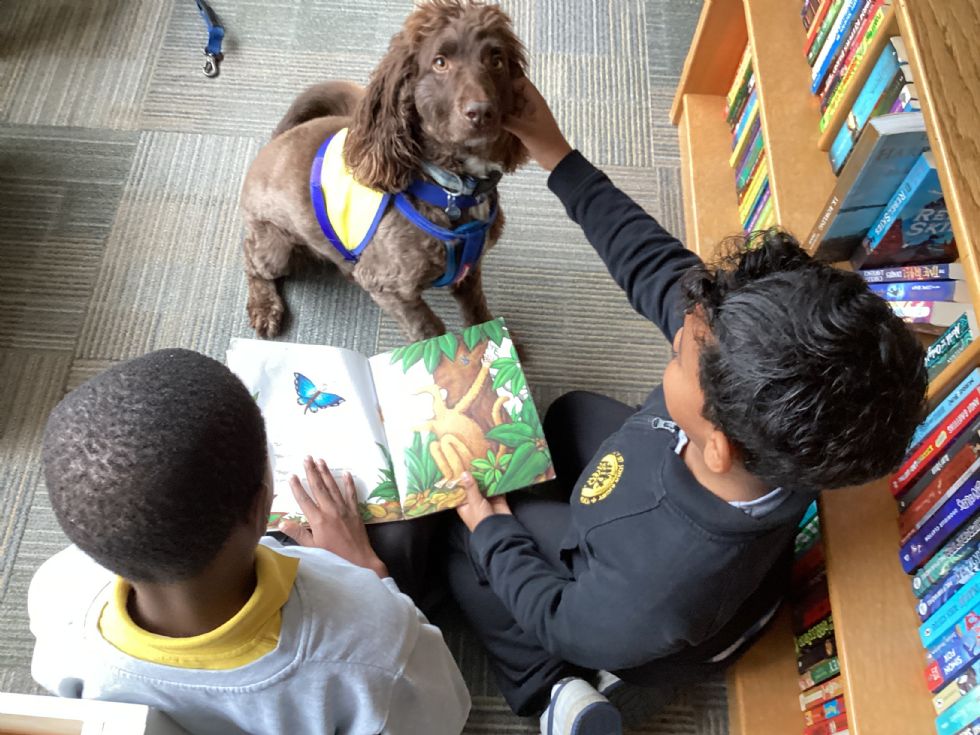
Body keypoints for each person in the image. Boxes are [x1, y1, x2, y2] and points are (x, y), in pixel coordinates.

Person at [446, 78, 929, 735]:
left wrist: (492, 531)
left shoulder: (653, 586)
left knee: (465, 539)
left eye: (679, 354)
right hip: (679, 533)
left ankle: (555, 690)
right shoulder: (777, 403)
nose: (676, 333)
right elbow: (652, 264)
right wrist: (555, 152)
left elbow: (561, 617)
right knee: (566, 415)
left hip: (622, 623)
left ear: (717, 445)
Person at [29, 349, 469, 735]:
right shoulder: (376, 639)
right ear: (261, 507)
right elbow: (442, 715)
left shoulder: (57, 590)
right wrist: (364, 572)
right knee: (407, 530)